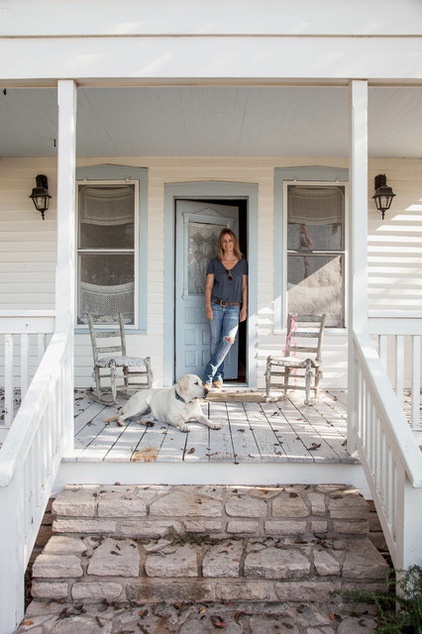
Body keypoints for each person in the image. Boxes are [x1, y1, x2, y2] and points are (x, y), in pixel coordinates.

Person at [202, 228, 248, 389]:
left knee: (228, 339)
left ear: (234, 242)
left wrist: (244, 308)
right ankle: (218, 376)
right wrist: (208, 305)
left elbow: (244, 288)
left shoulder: (242, 263)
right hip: (215, 305)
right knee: (215, 341)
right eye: (224, 241)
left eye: (230, 240)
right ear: (221, 244)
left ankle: (208, 374)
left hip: (234, 308)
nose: (227, 244)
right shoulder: (214, 262)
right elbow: (208, 287)